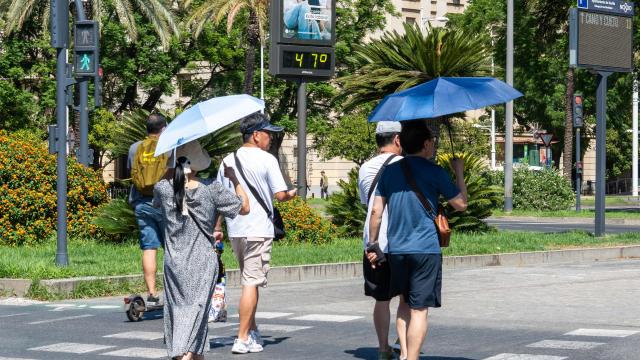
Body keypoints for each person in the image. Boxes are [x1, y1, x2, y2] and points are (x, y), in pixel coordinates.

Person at [368, 121, 468, 360]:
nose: (433, 146)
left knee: (403, 303)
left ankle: (404, 353)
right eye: (432, 142)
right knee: (419, 310)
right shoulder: (435, 171)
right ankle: (412, 358)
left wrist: (373, 244)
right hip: (425, 250)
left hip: (397, 250)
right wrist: (459, 173)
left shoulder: (389, 172)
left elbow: (376, 212)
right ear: (425, 144)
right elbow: (461, 205)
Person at [153, 140, 250, 360]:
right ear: (197, 163)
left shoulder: (163, 189)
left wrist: (173, 165)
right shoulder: (211, 189)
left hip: (174, 262)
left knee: (178, 312)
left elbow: (160, 195)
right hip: (202, 262)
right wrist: (234, 178)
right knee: (197, 312)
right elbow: (244, 207)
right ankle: (184, 356)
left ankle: (187, 353)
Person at [216, 112, 297, 354]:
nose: (270, 138)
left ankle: (251, 330)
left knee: (249, 280)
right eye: (268, 133)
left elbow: (220, 198)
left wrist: (217, 227)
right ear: (256, 135)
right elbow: (280, 194)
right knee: (251, 282)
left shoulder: (226, 160)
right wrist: (292, 192)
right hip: (258, 229)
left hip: (236, 229)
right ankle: (242, 338)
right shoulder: (267, 159)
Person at [357, 121, 408, 360]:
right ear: (398, 140)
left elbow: (368, 205)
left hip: (374, 242)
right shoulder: (406, 165)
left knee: (381, 298)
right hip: (401, 239)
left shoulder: (365, 167)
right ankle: (405, 345)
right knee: (407, 295)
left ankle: (382, 348)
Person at [128, 113, 167, 305]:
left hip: (142, 203)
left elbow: (133, 173)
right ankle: (174, 290)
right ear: (164, 128)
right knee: (173, 248)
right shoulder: (169, 146)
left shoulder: (135, 148)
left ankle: (152, 293)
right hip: (164, 203)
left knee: (149, 247)